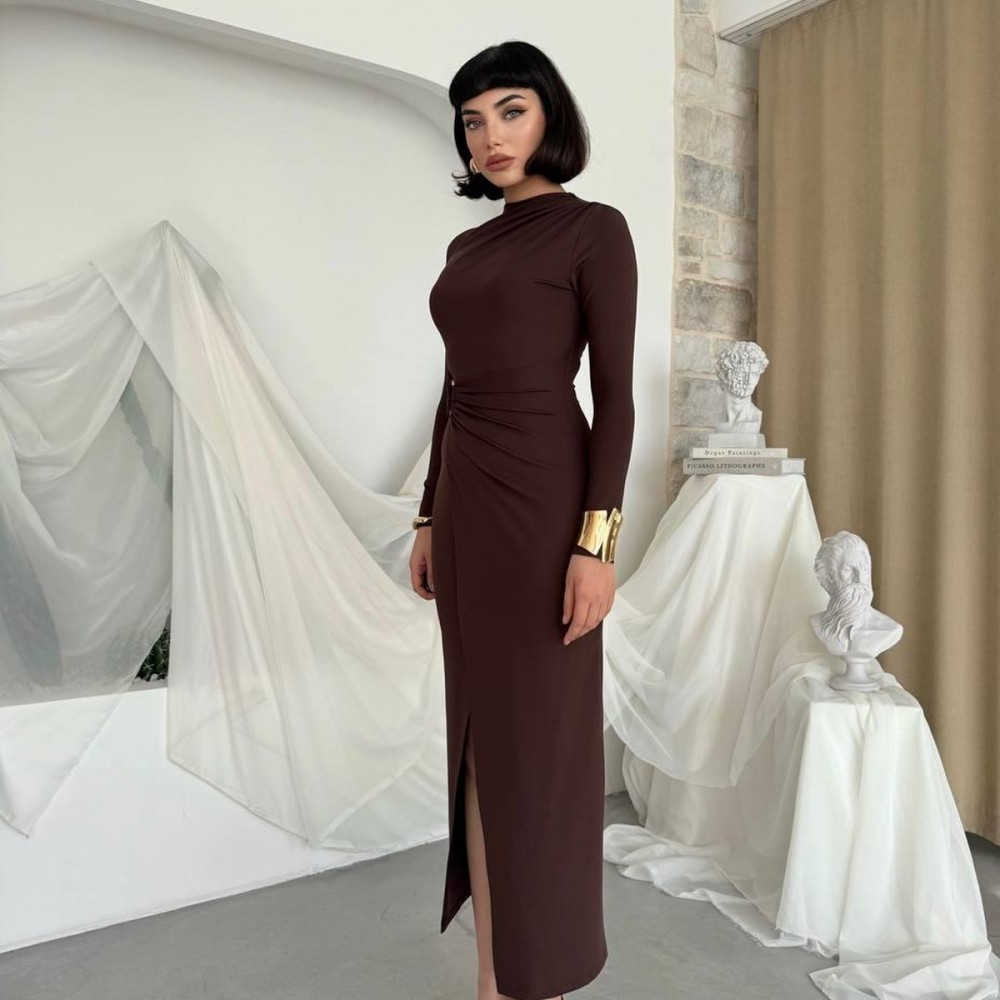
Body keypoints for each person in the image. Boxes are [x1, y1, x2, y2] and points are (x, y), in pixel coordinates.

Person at [408, 40, 638, 1000]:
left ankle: (545, 968)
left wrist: (597, 545)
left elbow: (616, 399)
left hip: (547, 506)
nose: (489, 136)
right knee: (475, 738)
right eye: (473, 120)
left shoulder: (594, 230)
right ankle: (492, 979)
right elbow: (452, 390)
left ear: (550, 117)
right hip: (467, 504)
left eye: (510, 110)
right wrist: (428, 515)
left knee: (539, 748)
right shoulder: (466, 248)